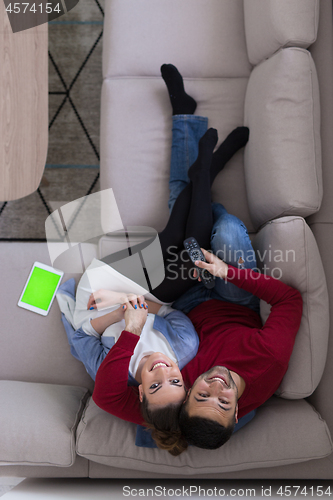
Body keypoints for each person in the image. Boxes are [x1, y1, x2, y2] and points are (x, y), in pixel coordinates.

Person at [93, 64, 303, 455]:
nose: (215, 387)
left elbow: (107, 399)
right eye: (222, 401)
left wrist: (130, 331)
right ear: (238, 412)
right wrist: (227, 271)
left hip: (185, 300)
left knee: (183, 229)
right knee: (218, 234)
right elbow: (290, 300)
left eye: (200, 395)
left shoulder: (174, 397)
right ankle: (206, 175)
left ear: (186, 399)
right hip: (232, 294)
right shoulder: (268, 364)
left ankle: (201, 162)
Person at [59, 64, 250, 456]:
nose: (164, 372)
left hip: (109, 282)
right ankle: (204, 167)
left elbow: (83, 332)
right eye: (175, 382)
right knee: (183, 246)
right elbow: (169, 309)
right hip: (157, 287)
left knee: (180, 244)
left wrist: (119, 316)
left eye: (156, 384)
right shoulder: (184, 349)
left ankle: (205, 168)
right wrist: (140, 310)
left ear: (141, 392)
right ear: (186, 381)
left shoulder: (114, 372)